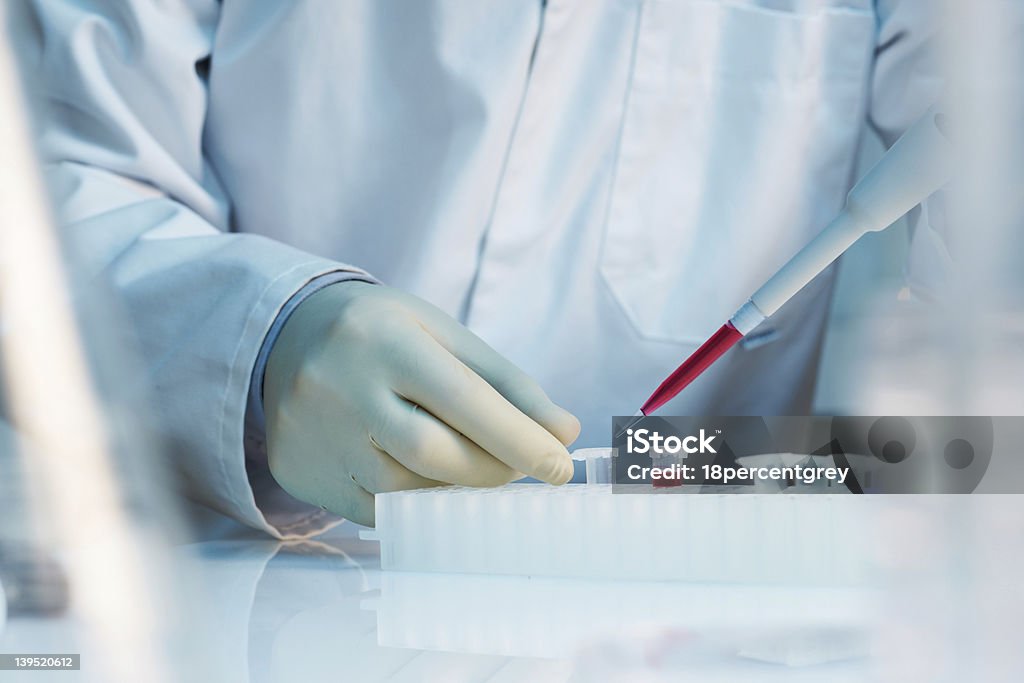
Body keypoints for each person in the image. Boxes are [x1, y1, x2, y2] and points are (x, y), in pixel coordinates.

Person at [15, 0, 942, 535]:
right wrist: (257, 344)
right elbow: (46, 182)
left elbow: (979, 147)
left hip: (693, 593)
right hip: (244, 576)